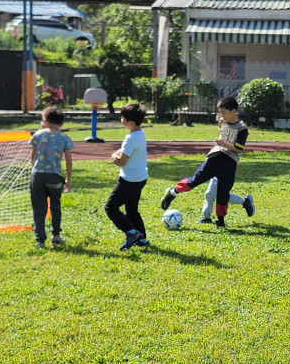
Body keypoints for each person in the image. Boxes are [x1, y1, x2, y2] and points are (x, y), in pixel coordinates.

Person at [161, 96, 248, 229]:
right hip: (215, 157)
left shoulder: (242, 129)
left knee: (223, 193)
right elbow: (222, 130)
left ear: (233, 112)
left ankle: (220, 220)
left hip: (229, 163)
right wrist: (220, 127)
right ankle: (173, 192)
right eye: (219, 112)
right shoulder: (222, 120)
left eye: (223, 112)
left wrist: (224, 144)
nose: (221, 115)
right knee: (196, 180)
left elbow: (239, 149)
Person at [105, 103, 150, 250]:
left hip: (128, 180)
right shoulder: (140, 133)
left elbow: (122, 161)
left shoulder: (130, 138)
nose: (121, 120)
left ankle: (131, 233)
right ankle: (142, 239)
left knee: (110, 207)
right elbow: (126, 150)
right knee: (132, 210)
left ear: (130, 123)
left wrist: (114, 157)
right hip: (140, 178)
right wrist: (118, 152)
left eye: (122, 118)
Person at [29, 106, 74, 249]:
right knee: (55, 206)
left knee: (39, 209)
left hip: (37, 176)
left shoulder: (38, 135)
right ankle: (55, 235)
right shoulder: (65, 138)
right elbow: (69, 161)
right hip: (55, 177)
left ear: (46, 121)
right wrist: (68, 179)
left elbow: (32, 155)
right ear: (61, 123)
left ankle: (40, 241)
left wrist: (34, 169)